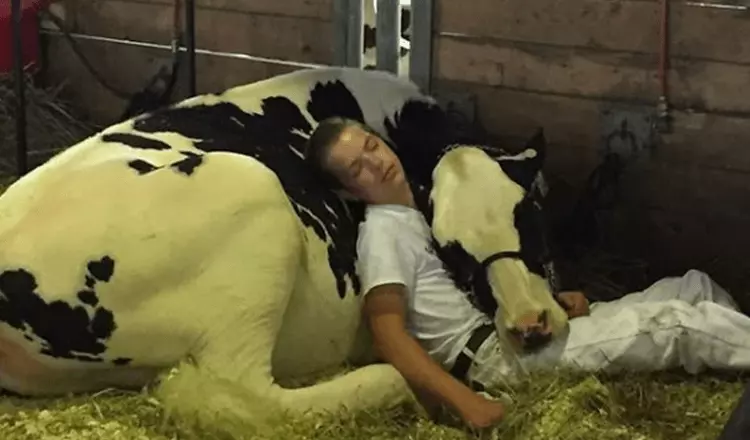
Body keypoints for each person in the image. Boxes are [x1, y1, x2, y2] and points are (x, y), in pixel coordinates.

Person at [303, 117, 750, 430]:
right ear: (346, 190)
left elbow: (480, 285)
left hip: (516, 330)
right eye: (356, 168)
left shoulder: (427, 205)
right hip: (497, 362)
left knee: (694, 286)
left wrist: (552, 305)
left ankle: (734, 379)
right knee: (677, 324)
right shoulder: (382, 235)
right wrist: (467, 403)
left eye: (371, 146)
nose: (376, 162)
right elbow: (388, 333)